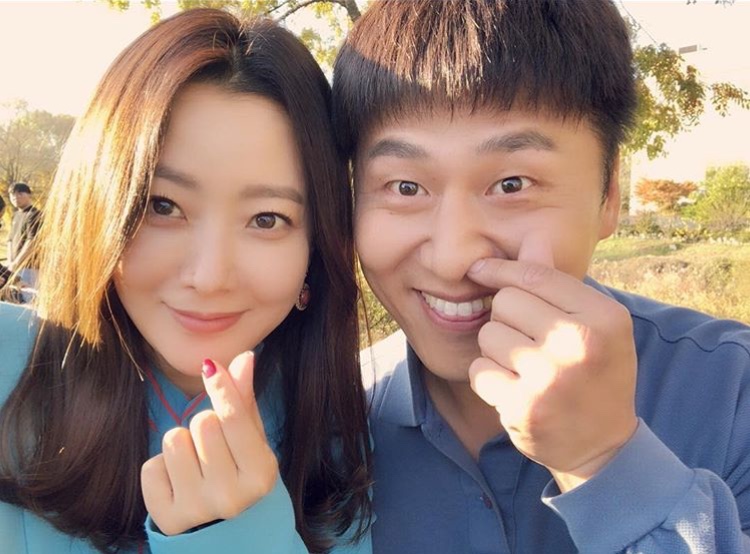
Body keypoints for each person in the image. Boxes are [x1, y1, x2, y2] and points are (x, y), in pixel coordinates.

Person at [333, 1, 750, 552]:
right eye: (405, 187)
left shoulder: (730, 395)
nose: (452, 259)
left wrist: (605, 462)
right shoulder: (326, 429)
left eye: (512, 184)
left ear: (609, 195)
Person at [0, 9, 372, 554]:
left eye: (267, 219)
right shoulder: (10, 367)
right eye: (163, 206)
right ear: (101, 203)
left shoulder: (343, 447)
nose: (209, 276)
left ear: (315, 252)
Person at [7, 182, 41, 292]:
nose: (15, 197)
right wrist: (10, 262)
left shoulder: (34, 214)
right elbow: (10, 240)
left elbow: (32, 241)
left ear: (29, 195)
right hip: (14, 267)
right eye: (12, 195)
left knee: (28, 297)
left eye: (20, 194)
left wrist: (17, 262)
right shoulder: (15, 215)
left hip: (29, 268)